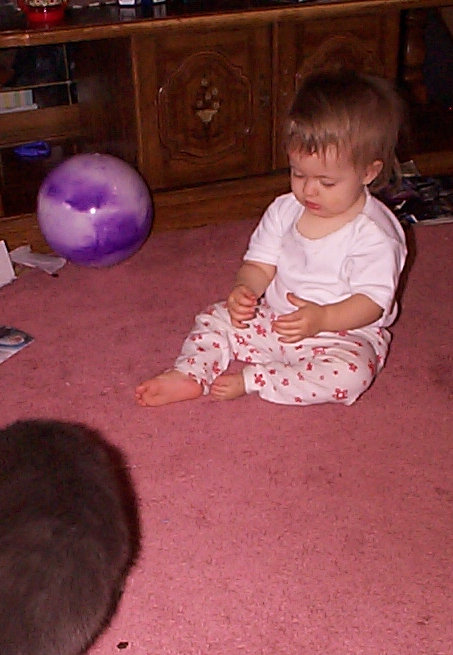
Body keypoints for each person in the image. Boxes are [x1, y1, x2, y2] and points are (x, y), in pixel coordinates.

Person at [135, 69, 408, 407]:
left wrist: (323, 319)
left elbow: (371, 303)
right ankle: (191, 373)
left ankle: (257, 379)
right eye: (298, 174)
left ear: (369, 172)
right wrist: (244, 289)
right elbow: (259, 265)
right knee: (216, 316)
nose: (309, 190)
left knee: (352, 374)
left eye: (327, 182)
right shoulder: (284, 210)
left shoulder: (375, 234)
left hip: (342, 335)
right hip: (276, 322)